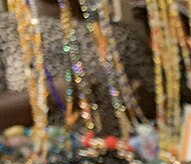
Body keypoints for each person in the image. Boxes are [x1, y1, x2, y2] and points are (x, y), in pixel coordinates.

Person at [0, 0, 154, 134]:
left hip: (117, 153)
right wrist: (51, 95)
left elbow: (158, 108)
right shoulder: (6, 30)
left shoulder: (120, 35)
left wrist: (140, 102)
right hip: (35, 155)